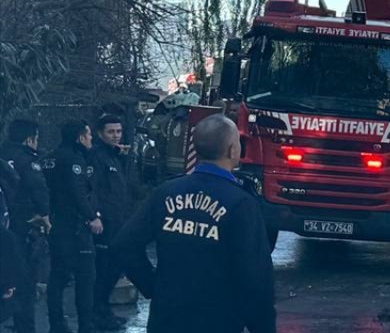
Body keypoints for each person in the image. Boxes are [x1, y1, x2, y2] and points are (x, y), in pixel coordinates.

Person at [112, 114, 276, 333]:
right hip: (218, 319)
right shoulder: (240, 204)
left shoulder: (166, 193)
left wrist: (153, 286)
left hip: (167, 318)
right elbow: (256, 278)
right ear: (232, 150)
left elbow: (124, 245)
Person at [45, 121, 102, 333]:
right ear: (79, 137)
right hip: (75, 227)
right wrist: (93, 217)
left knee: (57, 277)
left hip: (55, 225)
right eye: (88, 135)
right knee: (86, 278)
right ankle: (85, 326)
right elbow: (77, 193)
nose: (91, 139)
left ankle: (57, 325)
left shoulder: (49, 158)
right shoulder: (74, 161)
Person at [1, 119, 50, 333]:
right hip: (22, 227)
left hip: (5, 225)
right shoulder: (28, 160)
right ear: (29, 139)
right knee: (25, 284)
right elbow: (38, 189)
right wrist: (45, 216)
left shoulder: (3, 155)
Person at [88, 115, 130, 331]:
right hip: (104, 223)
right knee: (104, 270)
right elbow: (94, 189)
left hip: (118, 221)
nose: (116, 136)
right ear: (99, 134)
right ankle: (98, 313)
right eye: (111, 132)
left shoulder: (114, 155)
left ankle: (102, 310)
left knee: (114, 268)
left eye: (118, 131)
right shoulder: (96, 156)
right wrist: (96, 216)